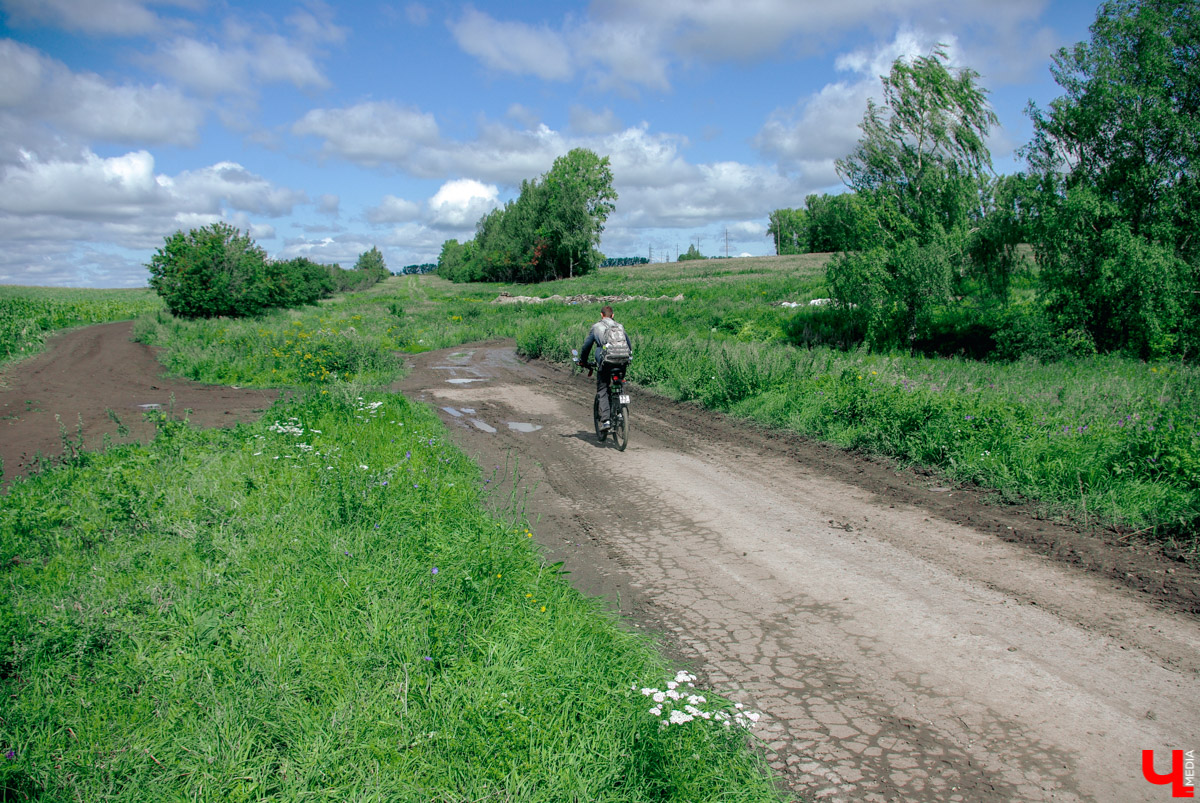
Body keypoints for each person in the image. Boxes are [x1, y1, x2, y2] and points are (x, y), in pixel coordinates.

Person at [578, 305, 632, 430]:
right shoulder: (620, 326)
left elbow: (586, 347)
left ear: (601, 315)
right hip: (622, 362)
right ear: (613, 316)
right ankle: (621, 412)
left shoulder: (596, 327)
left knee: (602, 389)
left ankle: (606, 420)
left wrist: (583, 361)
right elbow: (629, 345)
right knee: (619, 383)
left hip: (606, 363)